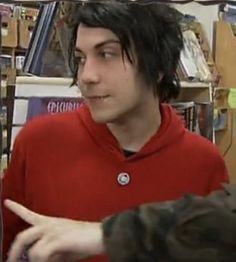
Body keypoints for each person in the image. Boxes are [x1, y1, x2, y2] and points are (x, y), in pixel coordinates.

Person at [2, 1, 229, 262]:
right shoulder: (38, 142)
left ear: (157, 66)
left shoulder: (203, 162)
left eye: (107, 54)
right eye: (80, 58)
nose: (86, 76)